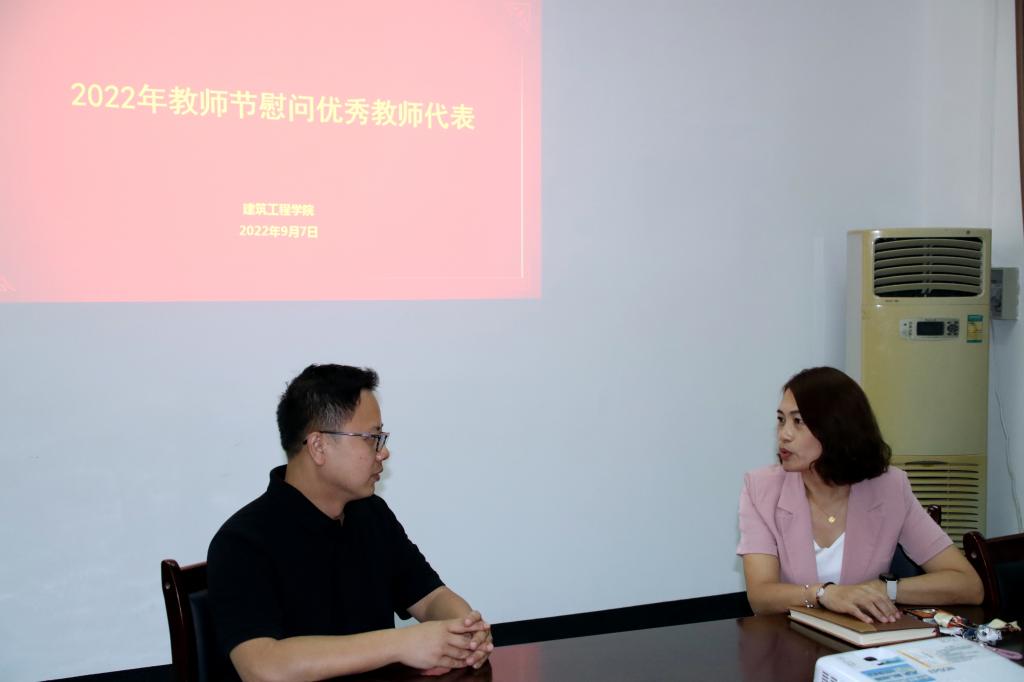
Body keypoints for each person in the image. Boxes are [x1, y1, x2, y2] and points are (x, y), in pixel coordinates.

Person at [208, 364, 493, 681]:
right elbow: (262, 667)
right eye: (372, 438)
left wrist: (466, 630)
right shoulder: (243, 541)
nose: (383, 453)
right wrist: (400, 643)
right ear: (318, 446)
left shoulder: (370, 514)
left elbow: (431, 598)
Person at [737, 366, 982, 623]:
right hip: (789, 636)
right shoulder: (761, 489)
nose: (784, 434)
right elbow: (760, 596)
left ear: (835, 428)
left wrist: (885, 589)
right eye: (781, 420)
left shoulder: (889, 487)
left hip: (862, 637)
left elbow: (968, 584)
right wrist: (823, 594)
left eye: (798, 422)